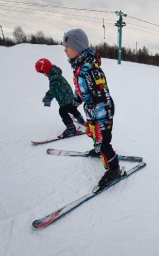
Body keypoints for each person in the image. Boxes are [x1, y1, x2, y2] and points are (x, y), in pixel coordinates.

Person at [62, 28, 122, 191]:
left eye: (67, 46)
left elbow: (102, 97)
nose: (65, 50)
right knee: (93, 134)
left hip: (103, 111)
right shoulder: (79, 68)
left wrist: (100, 121)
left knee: (102, 140)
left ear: (78, 46)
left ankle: (114, 168)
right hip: (92, 111)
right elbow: (81, 91)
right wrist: (74, 103)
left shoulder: (91, 70)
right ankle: (99, 148)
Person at [35, 58, 86, 138]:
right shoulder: (56, 73)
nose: (44, 74)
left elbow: (54, 89)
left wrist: (48, 97)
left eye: (42, 72)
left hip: (64, 99)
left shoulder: (54, 77)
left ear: (45, 69)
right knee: (72, 109)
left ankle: (71, 129)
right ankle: (82, 121)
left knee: (62, 111)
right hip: (69, 96)